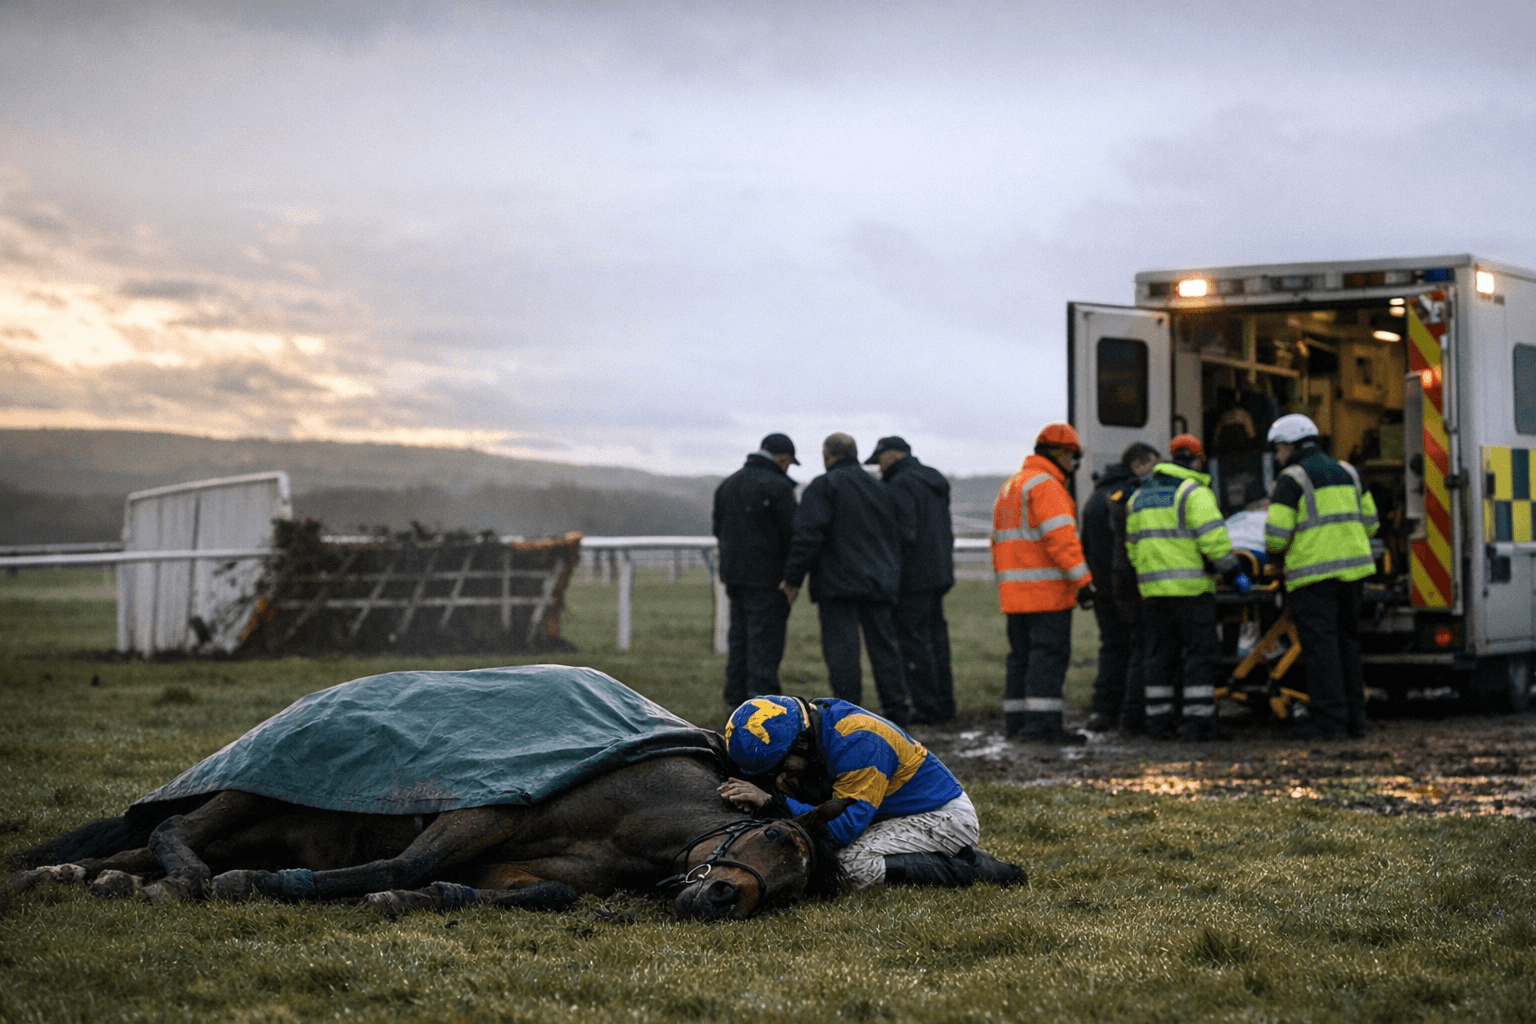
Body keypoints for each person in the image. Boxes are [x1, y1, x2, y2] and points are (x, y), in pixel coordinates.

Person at [717, 695, 1025, 890]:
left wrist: (772, 802)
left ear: (802, 743)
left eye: (781, 769)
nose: (779, 779)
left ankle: (972, 869)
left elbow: (838, 831)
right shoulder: (808, 725)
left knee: (846, 868)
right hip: (884, 815)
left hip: (943, 818)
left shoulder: (860, 743)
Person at [1124, 434, 1249, 742]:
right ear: (1196, 460)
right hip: (1191, 593)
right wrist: (1234, 572)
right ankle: (1199, 724)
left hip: (1153, 595)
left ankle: (1158, 724)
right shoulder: (1192, 492)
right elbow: (1213, 541)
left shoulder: (1138, 498)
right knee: (1200, 656)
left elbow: (1132, 549)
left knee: (1159, 658)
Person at [781, 433, 911, 726]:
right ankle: (897, 712)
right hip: (879, 582)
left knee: (843, 653)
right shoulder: (882, 488)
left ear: (827, 456)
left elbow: (808, 535)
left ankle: (848, 715)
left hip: (837, 584)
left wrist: (792, 578)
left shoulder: (824, 486)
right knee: (885, 650)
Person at [1264, 413, 1379, 740]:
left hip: (1313, 578)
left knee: (1321, 650)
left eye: (1278, 449)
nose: (1277, 456)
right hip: (1353, 574)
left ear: (1289, 445)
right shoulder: (1350, 472)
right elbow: (1371, 524)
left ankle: (1329, 722)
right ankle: (1355, 721)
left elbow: (1276, 538)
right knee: (1348, 645)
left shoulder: (1291, 479)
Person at [990, 422, 1095, 743]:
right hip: (1046, 595)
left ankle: (1016, 724)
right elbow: (1061, 541)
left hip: (1015, 596)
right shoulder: (1047, 486)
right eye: (1074, 457)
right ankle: (1043, 728)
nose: (1075, 464)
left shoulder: (1012, 486)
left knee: (1020, 659)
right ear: (1060, 453)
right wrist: (1084, 583)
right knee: (1047, 659)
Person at [867, 436, 956, 726]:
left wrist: (891, 572)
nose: (879, 467)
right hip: (939, 573)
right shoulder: (934, 480)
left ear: (892, 455)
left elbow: (904, 533)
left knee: (914, 643)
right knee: (937, 641)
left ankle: (927, 708)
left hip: (913, 578)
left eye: (880, 460)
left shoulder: (900, 484)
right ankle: (944, 704)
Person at [712, 433, 800, 710]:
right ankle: (763, 710)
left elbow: (718, 529)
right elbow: (792, 534)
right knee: (765, 647)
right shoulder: (778, 487)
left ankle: (734, 705)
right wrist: (792, 577)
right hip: (769, 581)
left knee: (738, 644)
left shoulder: (728, 485)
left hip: (735, 577)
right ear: (783, 458)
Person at [1079, 442, 1160, 732]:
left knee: (1112, 647)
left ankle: (1104, 711)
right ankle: (1134, 713)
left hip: (1102, 587)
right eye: (1153, 465)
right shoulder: (1131, 495)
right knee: (1139, 647)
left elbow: (1085, 545)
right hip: (1125, 587)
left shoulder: (1095, 496)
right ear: (1138, 464)